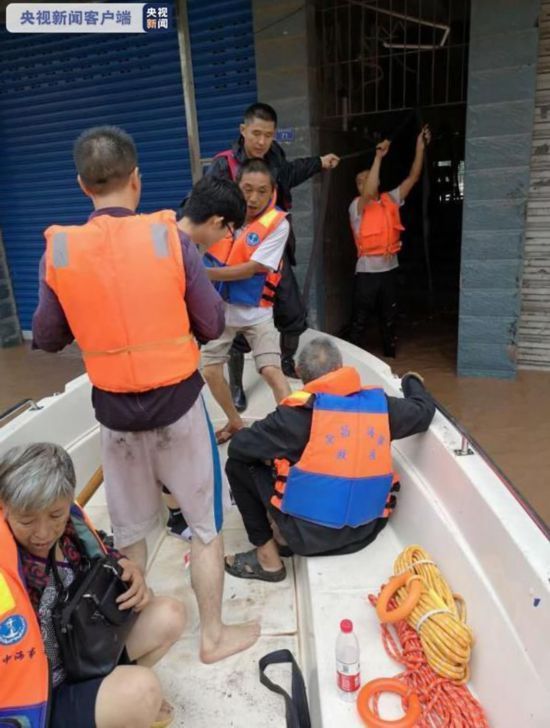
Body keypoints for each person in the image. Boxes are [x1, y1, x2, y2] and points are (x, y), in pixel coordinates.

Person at [32, 125, 260, 663]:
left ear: (83, 185)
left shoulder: (58, 251)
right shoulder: (169, 239)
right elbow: (211, 321)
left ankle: (128, 639)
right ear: (136, 179)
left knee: (130, 535)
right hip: (179, 410)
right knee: (204, 528)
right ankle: (212, 637)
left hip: (115, 418)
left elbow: (46, 336)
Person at [0, 443, 185, 728]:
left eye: (54, 515)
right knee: (142, 691)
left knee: (170, 614)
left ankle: (109, 706)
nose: (43, 533)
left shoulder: (72, 525)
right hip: (41, 697)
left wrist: (128, 568)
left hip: (79, 653)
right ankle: (114, 706)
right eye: (27, 520)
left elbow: (104, 552)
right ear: (4, 508)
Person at [224, 337, 435, 581]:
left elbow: (239, 447)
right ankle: (282, 537)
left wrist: (272, 458)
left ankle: (268, 560)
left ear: (300, 372)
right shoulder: (382, 407)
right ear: (340, 367)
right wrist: (411, 382)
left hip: (307, 539)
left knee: (239, 465)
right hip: (366, 530)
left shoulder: (292, 416)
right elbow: (424, 411)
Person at [207, 101, 340, 405]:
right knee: (238, 324)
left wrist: (320, 162)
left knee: (292, 314)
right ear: (243, 130)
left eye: (268, 135)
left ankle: (283, 361)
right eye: (256, 134)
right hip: (235, 259)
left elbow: (291, 173)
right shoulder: (223, 166)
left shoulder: (275, 156)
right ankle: (237, 386)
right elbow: (199, 203)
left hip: (273, 256)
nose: (261, 142)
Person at [201, 158, 292, 444]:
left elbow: (252, 268)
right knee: (210, 369)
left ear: (272, 191)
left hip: (258, 313)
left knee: (271, 370)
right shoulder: (219, 216)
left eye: (262, 191)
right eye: (247, 189)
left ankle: (292, 430)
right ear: (236, 187)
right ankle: (235, 422)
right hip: (221, 312)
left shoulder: (278, 225)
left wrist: (200, 274)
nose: (253, 198)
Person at [348, 125, 431, 357]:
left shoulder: (390, 200)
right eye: (360, 181)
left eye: (368, 178)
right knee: (359, 319)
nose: (365, 183)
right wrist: (378, 157)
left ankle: (390, 357)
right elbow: (369, 190)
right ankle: (353, 359)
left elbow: (413, 177)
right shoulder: (357, 206)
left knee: (390, 317)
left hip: (389, 271)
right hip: (366, 273)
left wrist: (419, 148)